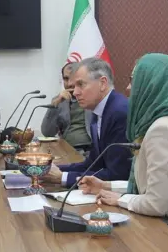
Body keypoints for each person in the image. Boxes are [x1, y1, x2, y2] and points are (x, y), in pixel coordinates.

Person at [78, 53, 168, 249]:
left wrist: (120, 199)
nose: (128, 88)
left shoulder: (163, 129)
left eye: (133, 80)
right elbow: (152, 185)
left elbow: (156, 204)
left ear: (152, 86)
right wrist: (107, 186)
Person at [41, 57, 132, 188]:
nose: (75, 92)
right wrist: (54, 170)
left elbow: (118, 174)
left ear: (102, 83)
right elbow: (94, 163)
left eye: (81, 85)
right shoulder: (98, 109)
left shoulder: (119, 112)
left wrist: (62, 178)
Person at [41, 62, 92, 149]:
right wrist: (54, 105)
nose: (69, 83)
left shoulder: (92, 97)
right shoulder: (59, 100)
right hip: (66, 148)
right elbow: (47, 133)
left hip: (90, 148)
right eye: (66, 79)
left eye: (73, 78)